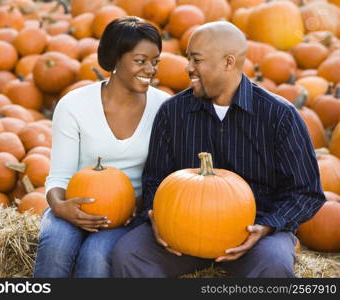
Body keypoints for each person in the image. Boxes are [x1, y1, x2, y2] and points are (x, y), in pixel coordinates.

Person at [111, 21, 326, 278]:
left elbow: (307, 192)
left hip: (254, 234)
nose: (188, 68)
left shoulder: (279, 116)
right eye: (188, 58)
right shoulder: (172, 112)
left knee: (273, 265)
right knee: (128, 254)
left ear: (228, 62)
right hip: (182, 231)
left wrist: (268, 226)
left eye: (197, 60)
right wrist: (156, 217)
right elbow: (154, 179)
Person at [33, 16, 170, 278]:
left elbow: (165, 176)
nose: (150, 70)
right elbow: (59, 176)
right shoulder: (74, 105)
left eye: (155, 62)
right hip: (75, 202)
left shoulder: (164, 107)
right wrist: (61, 207)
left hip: (129, 212)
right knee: (55, 246)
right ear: (114, 59)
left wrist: (139, 206)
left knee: (96, 256)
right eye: (140, 61)